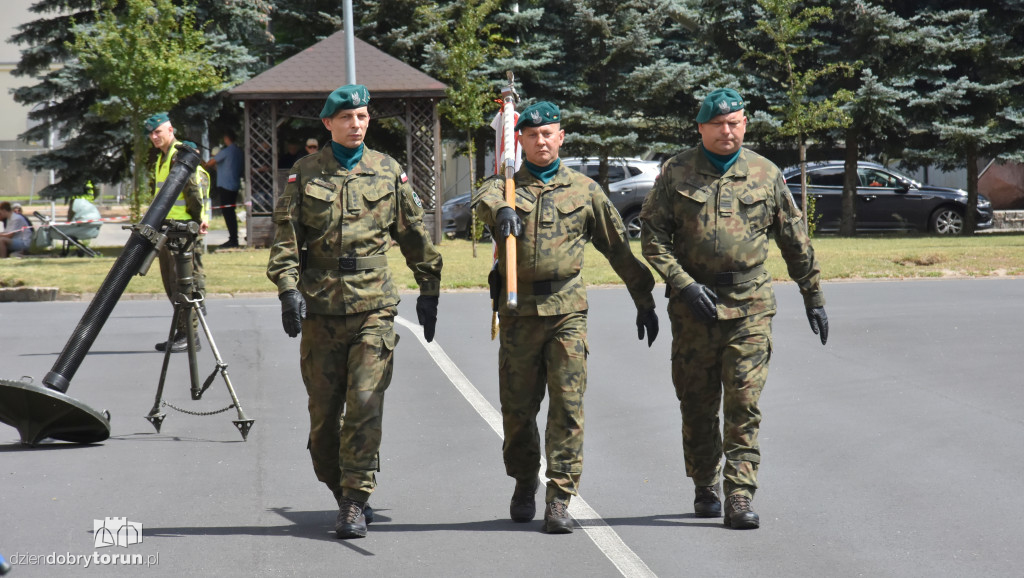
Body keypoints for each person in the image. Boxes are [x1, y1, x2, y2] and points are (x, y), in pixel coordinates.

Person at [639, 88, 829, 530]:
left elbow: (794, 240)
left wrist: (813, 295)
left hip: (750, 305)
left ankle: (739, 494)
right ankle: (705, 483)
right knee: (697, 403)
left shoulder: (765, 173)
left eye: (736, 122)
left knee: (744, 403)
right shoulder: (676, 171)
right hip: (694, 308)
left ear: (745, 124)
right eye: (719, 124)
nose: (728, 131)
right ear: (701, 128)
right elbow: (653, 238)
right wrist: (683, 285)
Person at [473, 101, 659, 534]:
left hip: (566, 313)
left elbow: (617, 247)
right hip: (519, 315)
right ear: (519, 140)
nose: (541, 141)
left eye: (549, 134)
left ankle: (559, 496)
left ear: (560, 137)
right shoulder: (503, 186)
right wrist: (501, 211)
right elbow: (484, 202)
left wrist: (643, 298)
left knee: (568, 408)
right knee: (518, 412)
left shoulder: (584, 190)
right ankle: (524, 480)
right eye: (533, 135)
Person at [266, 84, 443, 540]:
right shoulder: (304, 174)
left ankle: (354, 499)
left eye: (362, 116)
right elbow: (285, 243)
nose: (356, 124)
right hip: (321, 310)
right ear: (328, 124)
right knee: (325, 422)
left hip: (374, 307)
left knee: (364, 403)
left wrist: (430, 288)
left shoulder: (388, 171)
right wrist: (288, 290)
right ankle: (340, 485)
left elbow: (414, 234)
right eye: (346, 118)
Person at [144, 112, 212, 352]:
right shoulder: (163, 158)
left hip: (181, 233)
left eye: (158, 132)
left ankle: (190, 336)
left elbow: (195, 191)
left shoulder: (180, 156)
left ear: (170, 130)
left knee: (185, 284)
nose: (154, 137)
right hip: (167, 230)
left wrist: (197, 220)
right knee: (172, 285)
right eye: (151, 133)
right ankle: (182, 332)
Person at [203, 128, 244, 249]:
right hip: (235, 185)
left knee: (228, 213)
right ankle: (233, 238)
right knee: (231, 212)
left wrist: (202, 162)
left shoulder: (226, 151)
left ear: (227, 139)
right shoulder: (238, 151)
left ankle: (233, 239)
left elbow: (209, 164)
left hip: (225, 186)